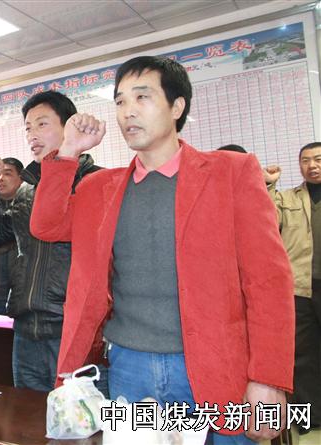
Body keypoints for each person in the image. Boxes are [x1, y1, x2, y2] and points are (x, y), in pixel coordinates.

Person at [30, 56, 294, 443]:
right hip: (129, 366)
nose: (128, 111)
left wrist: (268, 379)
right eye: (120, 101)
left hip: (218, 367)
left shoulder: (231, 173)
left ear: (177, 106)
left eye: (142, 97)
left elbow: (268, 281)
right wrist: (68, 150)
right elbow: (47, 225)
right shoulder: (99, 189)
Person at [0, 91, 101, 392]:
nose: (32, 135)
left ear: (69, 126)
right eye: (28, 128)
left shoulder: (95, 182)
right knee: (28, 417)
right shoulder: (26, 191)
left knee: (80, 418)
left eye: (42, 124)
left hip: (72, 332)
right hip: (26, 330)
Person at [263, 141, 321, 434]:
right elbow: (266, 219)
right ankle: (310, 416)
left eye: (318, 159)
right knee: (303, 356)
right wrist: (269, 185)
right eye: (305, 161)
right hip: (301, 289)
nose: (312, 166)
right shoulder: (287, 198)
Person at [0, 157, 23, 315]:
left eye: (7, 173)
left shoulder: (27, 206)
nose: (0, 178)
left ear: (21, 179)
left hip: (15, 297)